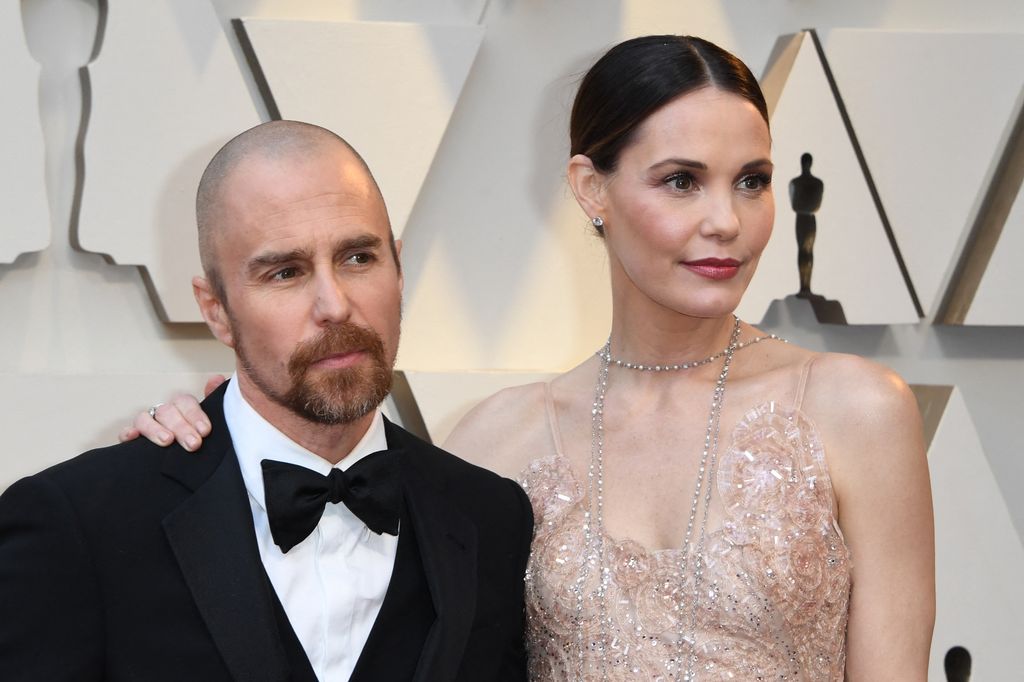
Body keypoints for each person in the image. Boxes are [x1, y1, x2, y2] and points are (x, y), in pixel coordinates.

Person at [126, 36, 935, 680]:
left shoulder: (856, 411)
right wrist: (214, 435)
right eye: (682, 181)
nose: (727, 220)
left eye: (752, 181)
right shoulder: (491, 443)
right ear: (590, 189)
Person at [0, 121, 533, 681]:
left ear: (399, 268)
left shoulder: (491, 517)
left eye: (357, 258)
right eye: (285, 272)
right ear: (216, 310)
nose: (335, 305)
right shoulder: (79, 523)